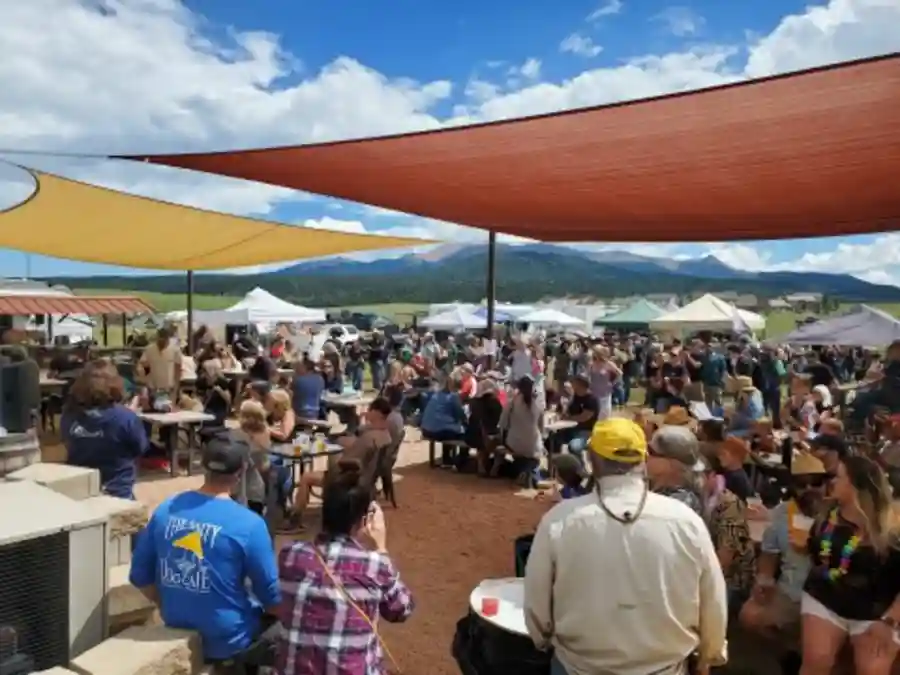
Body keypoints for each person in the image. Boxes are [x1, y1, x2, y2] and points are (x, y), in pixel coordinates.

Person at [524, 418, 727, 675]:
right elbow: (714, 599)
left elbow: (536, 604)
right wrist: (709, 654)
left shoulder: (560, 520)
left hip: (578, 666)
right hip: (664, 668)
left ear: (592, 460)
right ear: (642, 459)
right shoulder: (686, 521)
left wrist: (544, 640)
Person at [129, 436, 281, 668]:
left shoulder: (166, 509)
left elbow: (139, 576)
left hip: (176, 623)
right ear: (241, 472)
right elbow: (271, 597)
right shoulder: (249, 524)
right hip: (230, 641)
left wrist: (170, 605)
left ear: (204, 466)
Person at [277, 459, 414, 674]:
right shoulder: (374, 565)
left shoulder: (291, 554)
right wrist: (382, 547)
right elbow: (402, 609)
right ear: (364, 520)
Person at [799, 456, 900, 675]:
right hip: (826, 597)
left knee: (872, 670)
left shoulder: (891, 529)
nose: (831, 481)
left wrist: (889, 621)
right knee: (817, 660)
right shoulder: (826, 517)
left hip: (878, 610)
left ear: (856, 486)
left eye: (838, 477)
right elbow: (815, 557)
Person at [739, 452, 829, 674]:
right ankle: (791, 652)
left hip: (827, 596)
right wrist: (764, 580)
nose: (809, 489)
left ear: (826, 483)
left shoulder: (836, 513)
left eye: (815, 482)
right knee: (749, 615)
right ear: (793, 486)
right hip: (791, 591)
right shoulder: (782, 513)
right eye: (801, 483)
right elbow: (769, 554)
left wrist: (813, 548)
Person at [292, 397, 394, 529]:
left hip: (350, 479)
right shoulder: (384, 434)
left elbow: (350, 461)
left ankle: (295, 519)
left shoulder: (369, 437)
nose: (367, 412)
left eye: (370, 410)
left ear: (377, 413)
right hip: (366, 479)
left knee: (307, 477)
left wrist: (334, 461)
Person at [62, 359, 149, 499]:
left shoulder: (69, 415)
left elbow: (67, 443)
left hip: (80, 491)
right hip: (118, 492)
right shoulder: (125, 418)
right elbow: (140, 447)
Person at [646, 424, 707, 516]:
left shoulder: (681, 502)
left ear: (672, 463)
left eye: (651, 451)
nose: (646, 457)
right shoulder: (665, 487)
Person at [498, 376, 545, 487]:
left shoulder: (512, 402)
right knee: (534, 459)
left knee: (520, 457)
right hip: (533, 445)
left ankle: (524, 471)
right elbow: (542, 428)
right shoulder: (538, 404)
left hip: (514, 443)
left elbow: (503, 423)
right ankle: (530, 473)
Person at [420, 377, 467, 468]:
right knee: (464, 433)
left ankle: (447, 458)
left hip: (426, 428)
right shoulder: (453, 396)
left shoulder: (435, 395)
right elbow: (460, 415)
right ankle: (461, 461)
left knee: (448, 426)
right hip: (438, 431)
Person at [556, 374, 598, 464]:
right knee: (552, 441)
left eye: (574, 382)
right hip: (571, 429)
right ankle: (555, 467)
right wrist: (564, 405)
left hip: (585, 432)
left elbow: (584, 417)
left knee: (574, 447)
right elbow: (567, 412)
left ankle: (580, 468)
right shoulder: (574, 397)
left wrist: (568, 418)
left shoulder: (591, 399)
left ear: (581, 384)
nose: (571, 384)